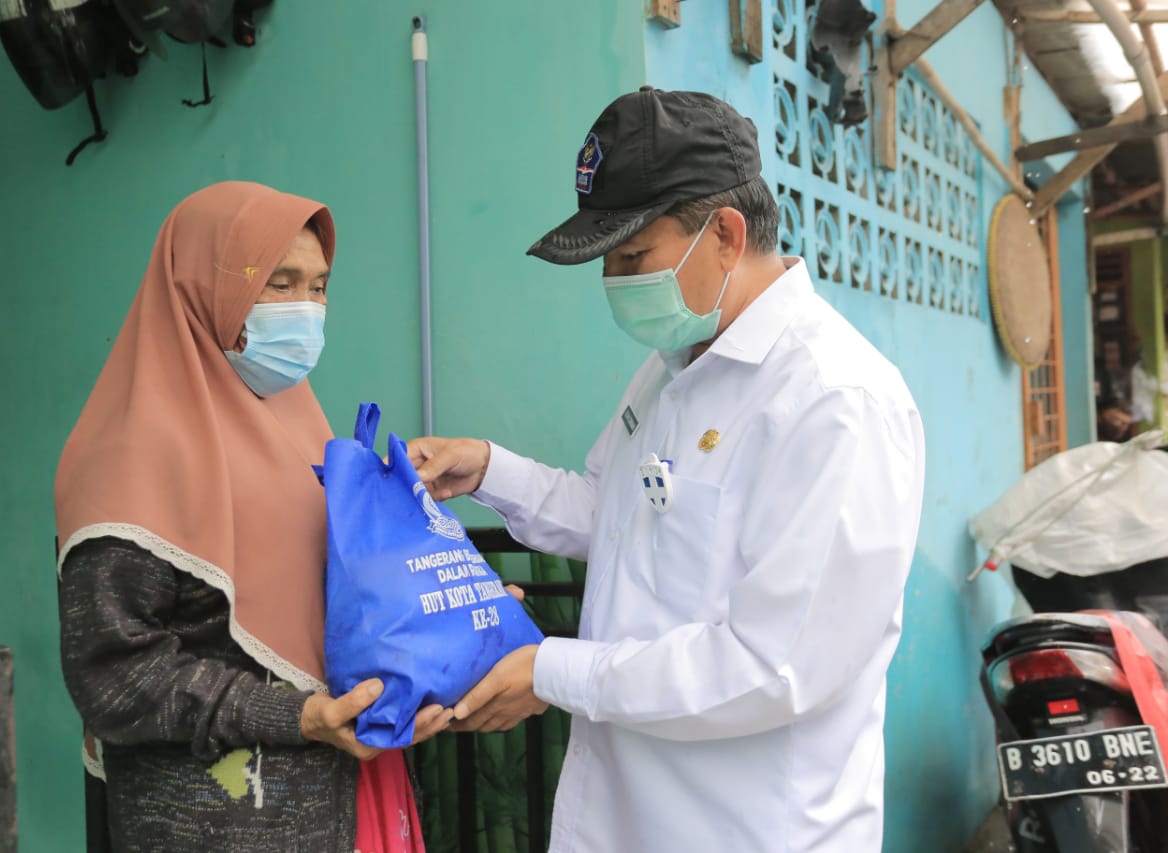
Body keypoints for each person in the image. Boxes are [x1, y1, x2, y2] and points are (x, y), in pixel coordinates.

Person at [408, 88, 926, 851]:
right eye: (608, 263)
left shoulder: (835, 401)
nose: (615, 281)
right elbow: (618, 516)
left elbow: (771, 664)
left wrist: (553, 670)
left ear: (726, 234)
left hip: (746, 830)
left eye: (632, 257)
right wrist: (488, 469)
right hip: (626, 817)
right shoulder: (673, 364)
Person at [55, 181, 448, 852]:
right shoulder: (130, 454)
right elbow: (115, 677)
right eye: (279, 283)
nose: (306, 309)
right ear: (202, 288)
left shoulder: (298, 429)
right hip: (206, 824)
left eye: (318, 287)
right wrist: (295, 715)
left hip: (329, 808)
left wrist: (449, 613)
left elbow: (333, 603)